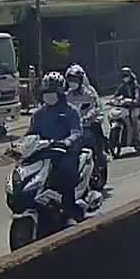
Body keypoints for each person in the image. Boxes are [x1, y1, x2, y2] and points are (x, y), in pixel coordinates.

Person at [26, 72, 86, 223]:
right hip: (44, 153)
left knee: (66, 172)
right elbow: (30, 134)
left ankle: (69, 209)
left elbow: (77, 132)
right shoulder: (39, 114)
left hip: (65, 152)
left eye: (52, 93)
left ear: (60, 93)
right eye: (46, 93)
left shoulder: (71, 111)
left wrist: (67, 141)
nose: (48, 96)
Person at [64, 64, 107, 175]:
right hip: (71, 129)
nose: (72, 82)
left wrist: (87, 117)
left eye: (74, 80)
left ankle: (100, 158)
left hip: (86, 126)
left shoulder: (88, 93)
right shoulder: (66, 95)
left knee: (93, 137)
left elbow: (94, 108)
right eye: (70, 80)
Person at [112, 66, 140, 134]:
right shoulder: (122, 86)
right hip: (125, 107)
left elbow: (137, 96)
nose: (125, 78)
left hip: (135, 106)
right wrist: (113, 100)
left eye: (126, 76)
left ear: (130, 76)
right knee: (114, 115)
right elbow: (116, 95)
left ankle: (137, 132)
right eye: (123, 76)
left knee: (134, 116)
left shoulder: (136, 86)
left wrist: (134, 101)